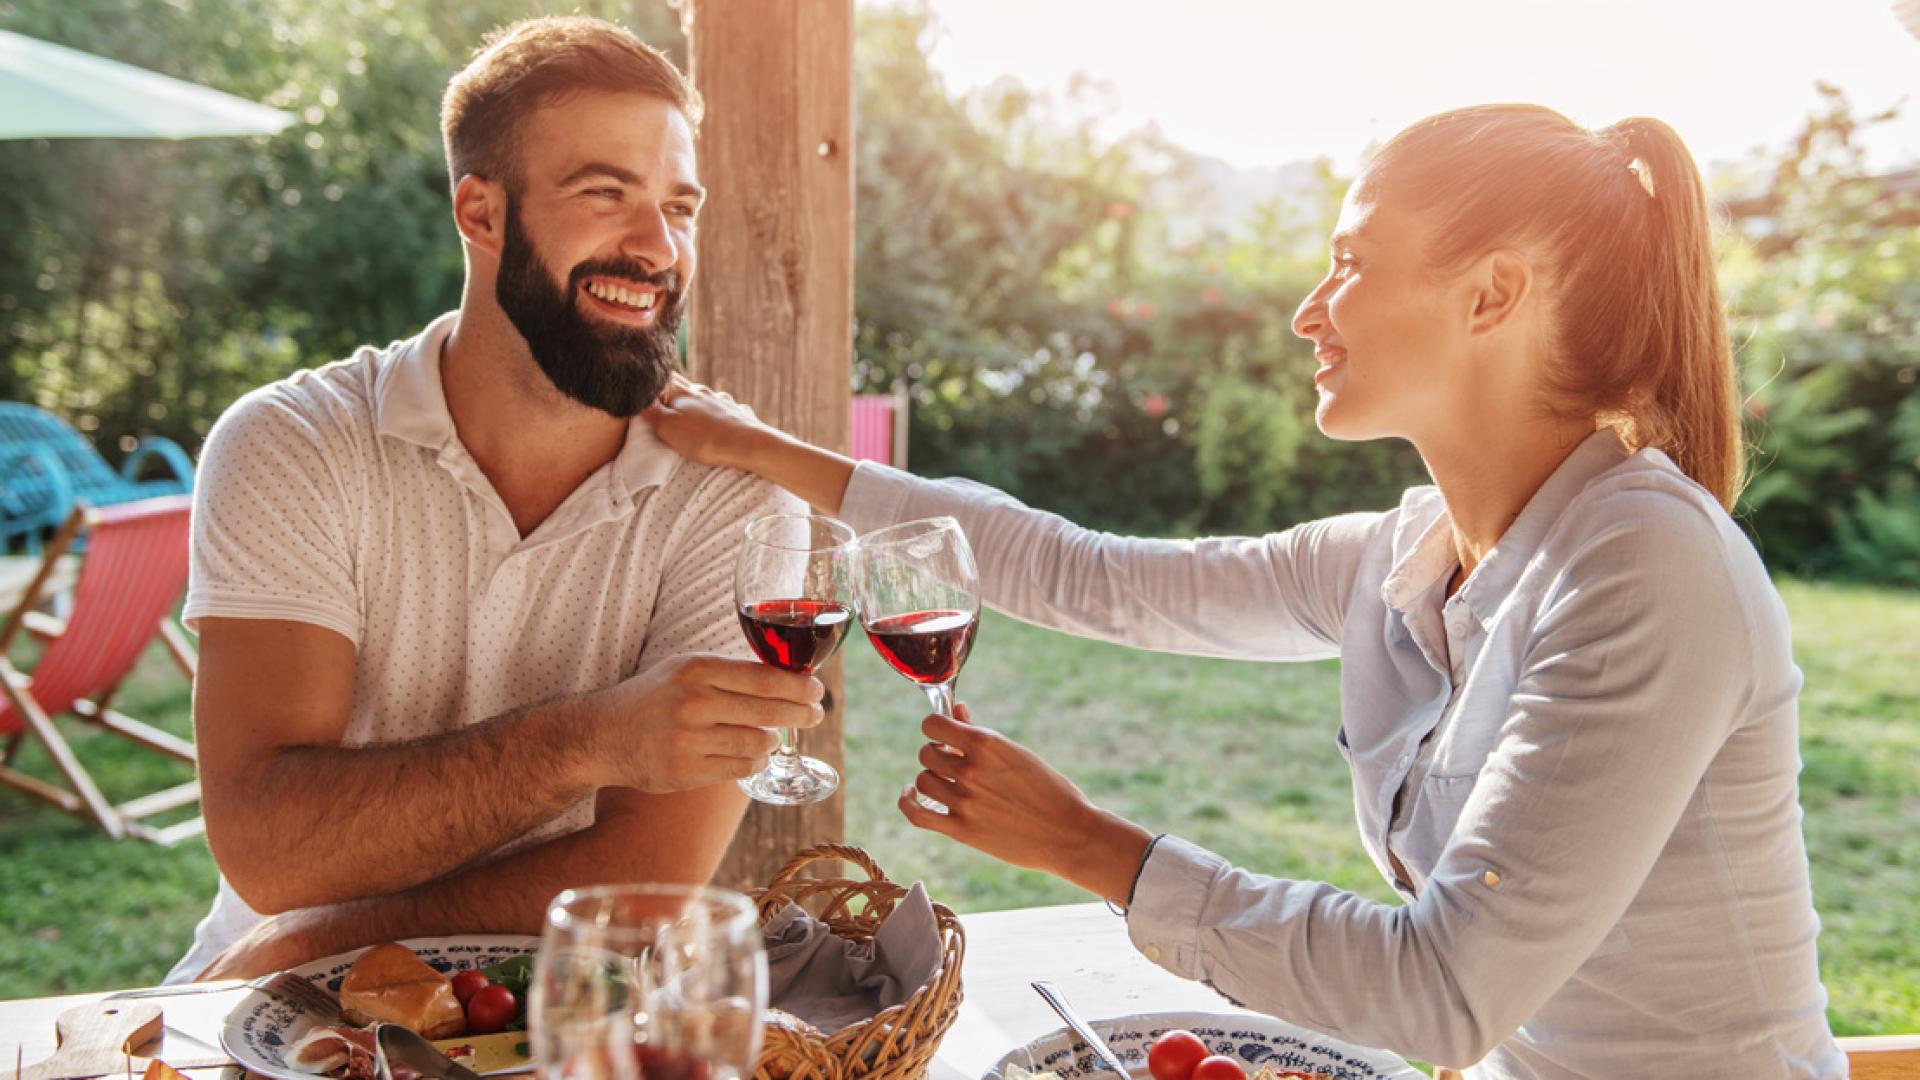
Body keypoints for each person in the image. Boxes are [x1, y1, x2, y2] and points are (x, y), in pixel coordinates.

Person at [643, 105, 1846, 1077]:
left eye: (1350, 262)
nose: (1306, 311)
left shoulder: (1644, 568)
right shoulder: (1407, 553)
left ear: (1493, 294)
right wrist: (764, 452)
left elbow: (1441, 991)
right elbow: (1089, 574)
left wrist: (1086, 845)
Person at [169, 15, 822, 983]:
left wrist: (316, 939)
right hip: (270, 1013)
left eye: (679, 208)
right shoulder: (293, 446)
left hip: (559, 1011)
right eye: (607, 194)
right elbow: (273, 848)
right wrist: (593, 738)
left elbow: (645, 885)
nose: (659, 247)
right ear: (481, 214)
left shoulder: (739, 498)